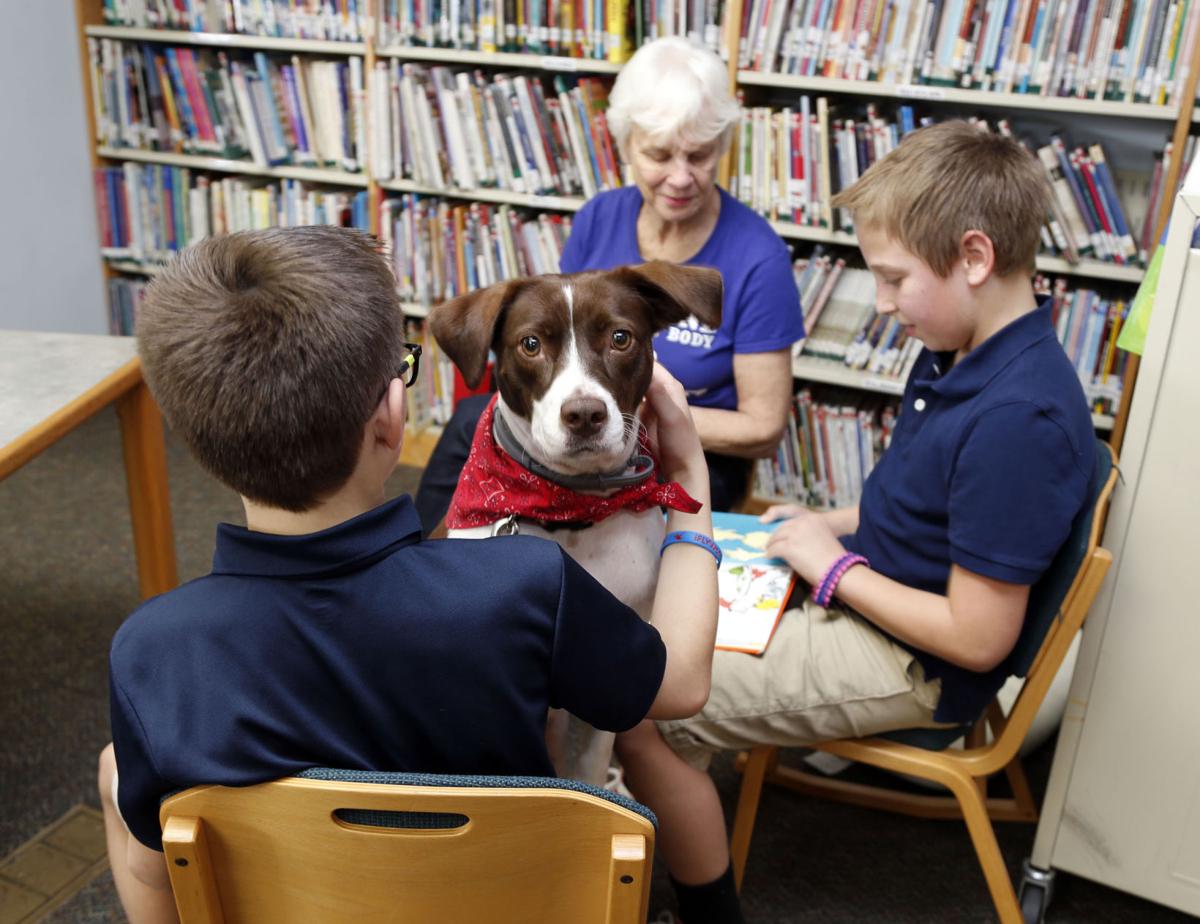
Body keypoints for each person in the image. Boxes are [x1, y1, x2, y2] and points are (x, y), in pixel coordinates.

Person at [96, 226, 719, 924]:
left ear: (191, 435)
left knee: (118, 769)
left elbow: (159, 873)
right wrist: (691, 481)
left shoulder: (150, 652)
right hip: (506, 904)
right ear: (392, 418)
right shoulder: (526, 586)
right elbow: (683, 682)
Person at [613, 121, 1098, 924]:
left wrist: (831, 567)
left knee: (639, 701)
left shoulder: (1021, 419)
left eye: (892, 278)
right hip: (874, 597)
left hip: (910, 660)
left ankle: (690, 902)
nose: (880, 304)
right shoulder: (959, 349)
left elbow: (977, 640)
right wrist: (824, 524)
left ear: (973, 259)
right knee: (659, 614)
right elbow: (925, 506)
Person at [414, 36, 804, 531]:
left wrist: (628, 417)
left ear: (722, 149)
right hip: (585, 418)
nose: (680, 177)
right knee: (470, 421)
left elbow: (764, 429)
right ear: (626, 147)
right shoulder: (601, 216)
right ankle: (426, 559)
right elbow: (559, 326)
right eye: (659, 155)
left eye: (700, 155)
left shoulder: (758, 256)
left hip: (684, 446)